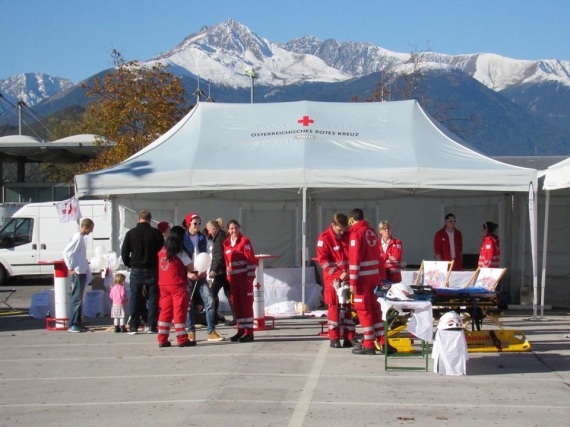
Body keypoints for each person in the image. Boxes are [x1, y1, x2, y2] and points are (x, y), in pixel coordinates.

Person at [346, 208, 394, 355]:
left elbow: (354, 261)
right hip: (374, 278)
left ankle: (368, 344)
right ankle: (383, 341)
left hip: (362, 280)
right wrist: (380, 277)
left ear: (352, 220)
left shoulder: (356, 234)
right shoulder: (372, 231)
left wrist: (352, 283)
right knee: (375, 310)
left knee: (364, 311)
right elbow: (379, 257)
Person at [316, 213, 357, 348]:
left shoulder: (347, 235)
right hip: (333, 279)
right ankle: (334, 338)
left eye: (344, 229)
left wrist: (349, 273)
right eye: (340, 229)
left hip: (347, 277)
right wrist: (338, 274)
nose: (342, 232)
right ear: (333, 225)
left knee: (348, 308)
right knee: (334, 307)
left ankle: (349, 337)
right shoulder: (324, 239)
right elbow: (323, 262)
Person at [183, 212, 224, 342]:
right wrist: (187, 273)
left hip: (201, 274)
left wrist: (205, 270)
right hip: (188, 273)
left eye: (199, 223)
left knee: (210, 300)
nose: (198, 226)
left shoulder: (203, 238)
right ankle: (190, 332)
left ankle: (211, 331)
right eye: (195, 223)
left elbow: (207, 255)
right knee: (188, 304)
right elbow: (179, 257)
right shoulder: (183, 238)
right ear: (189, 224)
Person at [121, 210, 164, 334]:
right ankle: (152, 325)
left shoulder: (131, 233)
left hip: (136, 268)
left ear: (138, 219)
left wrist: (129, 263)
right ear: (150, 220)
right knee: (153, 297)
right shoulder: (156, 233)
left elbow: (124, 253)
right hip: (153, 268)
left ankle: (134, 325)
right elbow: (162, 252)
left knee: (135, 297)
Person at [157, 226, 196, 348]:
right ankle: (182, 339)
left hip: (164, 285)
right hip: (178, 285)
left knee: (165, 312)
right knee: (179, 312)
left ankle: (162, 339)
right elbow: (191, 267)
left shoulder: (162, 250)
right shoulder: (180, 253)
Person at [224, 219, 256, 343]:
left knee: (246, 306)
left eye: (236, 228)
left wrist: (249, 278)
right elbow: (227, 263)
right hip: (233, 282)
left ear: (239, 228)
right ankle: (241, 330)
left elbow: (250, 260)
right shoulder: (226, 243)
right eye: (231, 228)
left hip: (244, 281)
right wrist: (228, 278)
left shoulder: (245, 241)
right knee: (237, 306)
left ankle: (249, 333)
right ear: (228, 230)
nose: (234, 230)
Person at [63, 217, 94, 333]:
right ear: (85, 227)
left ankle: (78, 321)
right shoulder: (78, 238)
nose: (90, 231)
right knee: (76, 298)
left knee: (79, 298)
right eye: (90, 229)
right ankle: (73, 323)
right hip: (78, 271)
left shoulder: (81, 238)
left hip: (81, 270)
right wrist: (70, 267)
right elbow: (67, 252)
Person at [206, 218, 237, 327]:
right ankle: (236, 317)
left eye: (209, 230)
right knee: (229, 294)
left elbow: (218, 256)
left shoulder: (218, 238)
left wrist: (213, 270)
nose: (208, 232)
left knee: (212, 293)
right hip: (225, 270)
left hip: (220, 271)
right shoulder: (222, 236)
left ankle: (213, 318)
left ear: (214, 229)